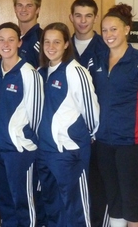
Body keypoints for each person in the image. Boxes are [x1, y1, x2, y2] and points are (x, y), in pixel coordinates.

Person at [87, 3, 138, 227]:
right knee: (113, 200)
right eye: (104, 30)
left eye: (114, 29)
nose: (108, 34)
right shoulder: (96, 61)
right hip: (103, 142)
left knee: (132, 202)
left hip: (133, 144)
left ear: (126, 29)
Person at [37, 22, 100, 226]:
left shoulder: (75, 71)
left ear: (66, 44)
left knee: (76, 210)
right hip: (45, 152)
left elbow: (91, 110)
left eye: (57, 41)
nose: (51, 46)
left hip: (70, 152)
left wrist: (86, 137)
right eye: (47, 42)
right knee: (52, 207)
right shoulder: (41, 72)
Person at [0, 22, 44, 227]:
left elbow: (37, 115)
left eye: (11, 39)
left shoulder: (30, 74)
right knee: (4, 203)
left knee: (23, 204)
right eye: (1, 39)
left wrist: (25, 142)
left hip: (20, 152)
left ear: (19, 42)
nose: (6, 43)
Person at [69, 0, 109, 227]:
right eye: (78, 15)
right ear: (71, 17)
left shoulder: (105, 47)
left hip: (99, 133)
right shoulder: (63, 45)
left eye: (88, 16)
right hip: (69, 133)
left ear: (95, 18)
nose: (83, 21)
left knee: (96, 187)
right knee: (72, 187)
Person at [13, 0, 43, 69]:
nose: (23, 9)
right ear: (15, 8)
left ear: (37, 10)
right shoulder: (11, 37)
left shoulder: (42, 39)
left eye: (29, 6)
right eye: (20, 5)